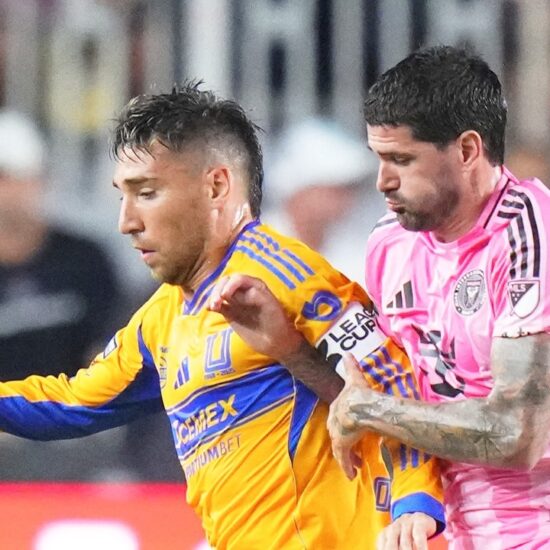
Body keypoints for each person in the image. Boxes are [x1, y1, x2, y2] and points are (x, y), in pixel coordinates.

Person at [0, 84, 444, 549]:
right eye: (122, 197)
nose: (127, 222)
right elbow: (76, 403)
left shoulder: (284, 275)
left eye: (147, 193)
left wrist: (414, 499)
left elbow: (389, 379)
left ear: (216, 187)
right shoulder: (160, 317)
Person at [213, 46, 550, 548]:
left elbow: (519, 435)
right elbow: (375, 391)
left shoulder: (529, 236)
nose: (382, 181)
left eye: (402, 160)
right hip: (459, 534)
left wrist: (371, 411)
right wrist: (288, 349)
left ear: (467, 151)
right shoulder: (391, 244)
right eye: (379, 157)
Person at [0, 110, 121, 380]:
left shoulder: (84, 260)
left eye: (19, 177)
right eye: (3, 178)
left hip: (74, 403)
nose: (10, 191)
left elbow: (110, 352)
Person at [263, 117, 383, 282]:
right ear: (302, 189)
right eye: (335, 187)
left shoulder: (361, 242)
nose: (347, 198)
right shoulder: (251, 250)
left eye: (350, 186)